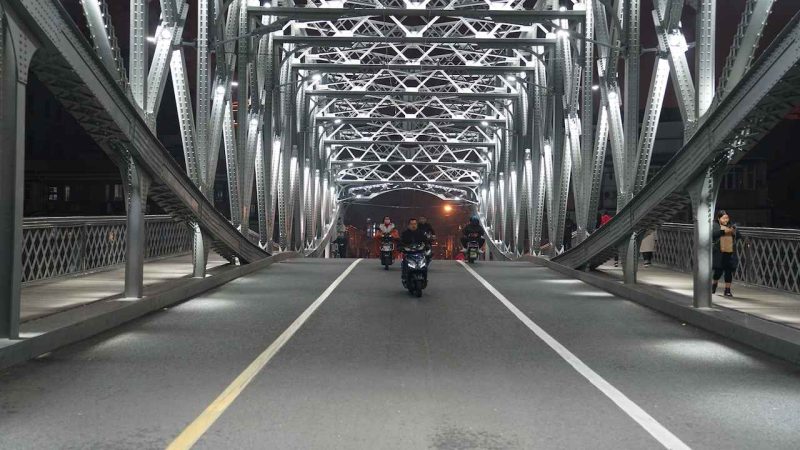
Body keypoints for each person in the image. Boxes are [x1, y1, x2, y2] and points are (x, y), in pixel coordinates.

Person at [712, 210, 738, 297]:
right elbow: (713, 234)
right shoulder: (715, 225)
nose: (726, 220)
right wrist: (724, 231)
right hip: (719, 252)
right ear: (719, 218)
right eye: (724, 218)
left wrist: (734, 232)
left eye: (727, 218)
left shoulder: (731, 226)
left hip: (729, 252)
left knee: (728, 271)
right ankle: (714, 284)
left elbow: (738, 236)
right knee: (718, 272)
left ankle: (727, 290)